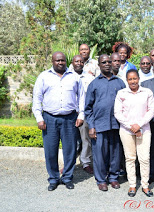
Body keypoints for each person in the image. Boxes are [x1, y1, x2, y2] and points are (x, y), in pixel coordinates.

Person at [32, 52, 85, 191]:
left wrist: (81, 115)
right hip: (49, 119)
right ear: (52, 61)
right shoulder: (43, 76)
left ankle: (67, 177)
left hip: (70, 118)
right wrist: (39, 118)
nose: (60, 63)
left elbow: (81, 97)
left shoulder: (74, 77)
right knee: (50, 151)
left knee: (70, 150)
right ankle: (54, 178)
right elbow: (37, 98)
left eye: (62, 60)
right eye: (58, 60)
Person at [85, 54, 126, 191]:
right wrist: (91, 126)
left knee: (115, 153)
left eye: (109, 62)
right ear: (99, 65)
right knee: (99, 155)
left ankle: (113, 177)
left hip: (116, 124)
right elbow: (88, 108)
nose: (107, 64)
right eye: (104, 62)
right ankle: (101, 179)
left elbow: (126, 104)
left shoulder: (119, 83)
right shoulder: (94, 84)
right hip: (99, 125)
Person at [114, 69, 154, 197]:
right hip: (127, 131)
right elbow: (117, 112)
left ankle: (145, 185)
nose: (133, 81)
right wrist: (131, 126)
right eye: (130, 79)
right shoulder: (121, 93)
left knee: (144, 158)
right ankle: (132, 185)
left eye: (135, 78)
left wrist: (139, 125)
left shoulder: (147, 92)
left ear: (138, 79)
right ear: (127, 80)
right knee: (130, 158)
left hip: (144, 130)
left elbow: (151, 111)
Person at [72, 55, 95, 174]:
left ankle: (85, 162)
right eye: (77, 61)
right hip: (70, 113)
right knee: (70, 139)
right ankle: (69, 163)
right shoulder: (67, 76)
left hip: (84, 112)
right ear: (72, 62)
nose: (79, 63)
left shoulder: (89, 77)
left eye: (81, 61)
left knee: (85, 138)